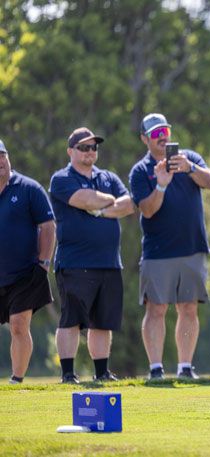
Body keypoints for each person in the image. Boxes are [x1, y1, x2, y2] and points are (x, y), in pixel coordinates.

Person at [129, 113, 210, 380]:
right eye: (155, 134)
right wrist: (162, 185)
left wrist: (190, 168)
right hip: (158, 252)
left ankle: (185, 368)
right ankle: (156, 369)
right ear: (145, 139)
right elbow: (147, 209)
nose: (162, 136)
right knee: (156, 308)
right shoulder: (140, 171)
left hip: (192, 247)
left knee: (189, 307)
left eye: (165, 130)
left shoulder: (189, 158)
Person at [49, 128, 134, 383]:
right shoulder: (62, 178)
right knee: (71, 320)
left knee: (102, 322)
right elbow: (83, 199)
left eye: (93, 147)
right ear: (70, 151)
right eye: (84, 147)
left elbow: (129, 204)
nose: (90, 152)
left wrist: (101, 209)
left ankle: (102, 373)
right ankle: (67, 374)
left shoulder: (107, 176)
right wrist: (109, 201)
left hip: (108, 262)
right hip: (75, 263)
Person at [0, 139, 55, 384]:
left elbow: (48, 226)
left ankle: (17, 379)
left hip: (24, 274)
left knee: (19, 324)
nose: (0, 161)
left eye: (2, 155)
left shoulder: (29, 188)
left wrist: (43, 263)